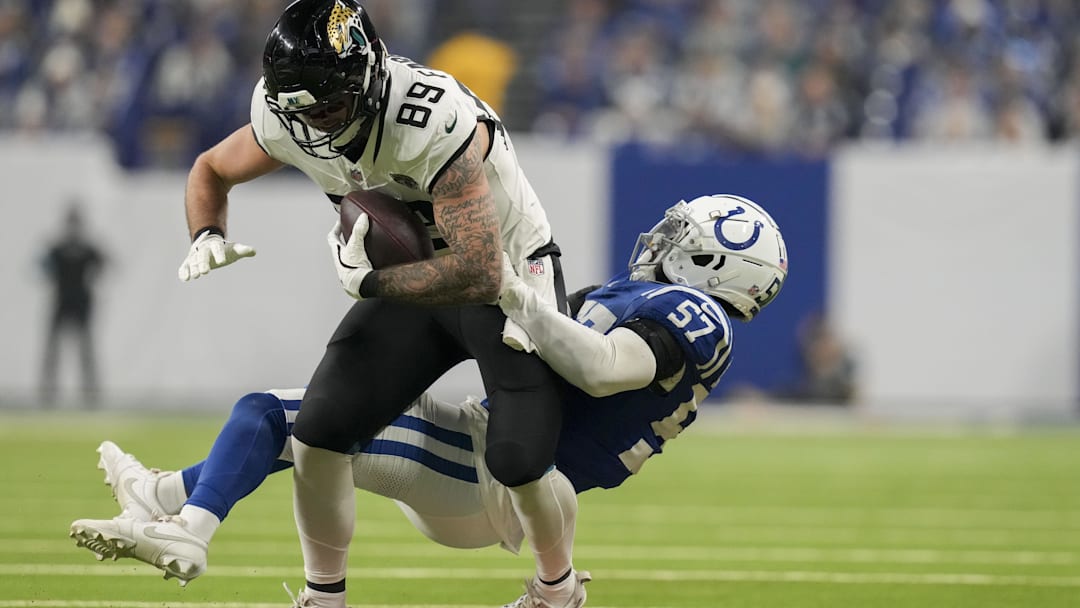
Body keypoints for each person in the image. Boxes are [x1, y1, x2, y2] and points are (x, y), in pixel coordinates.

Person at [70, 194, 789, 608]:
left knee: (277, 416)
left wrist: (511, 290)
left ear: (715, 264)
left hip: (497, 477)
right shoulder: (651, 298)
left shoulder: (698, 314)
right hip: (490, 452)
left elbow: (602, 370)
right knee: (292, 420)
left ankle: (199, 531)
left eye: (683, 238)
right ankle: (166, 497)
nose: (661, 239)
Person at [175, 1, 573, 606]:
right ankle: (323, 596)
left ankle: (557, 589)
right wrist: (206, 232)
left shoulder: (430, 120)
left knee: (518, 459)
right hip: (417, 278)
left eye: (330, 106)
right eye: (303, 111)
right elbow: (210, 169)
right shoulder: (287, 113)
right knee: (319, 430)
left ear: (369, 76)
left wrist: (370, 285)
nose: (317, 125)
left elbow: (480, 273)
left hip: (511, 278)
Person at [40, 202, 107, 407]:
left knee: (85, 349)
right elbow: (43, 266)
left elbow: (103, 263)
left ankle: (89, 392)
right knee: (54, 349)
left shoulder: (87, 249)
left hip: (80, 302)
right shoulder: (58, 249)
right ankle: (49, 392)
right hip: (62, 300)